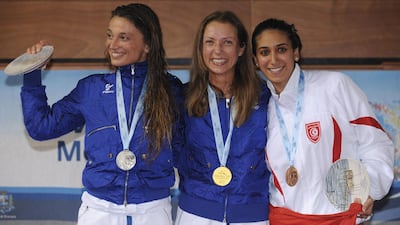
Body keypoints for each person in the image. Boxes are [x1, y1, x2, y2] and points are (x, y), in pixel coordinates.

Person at [20, 3, 184, 225]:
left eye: (123, 37)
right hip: (98, 211)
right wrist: (32, 74)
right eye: (109, 36)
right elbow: (41, 127)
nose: (112, 45)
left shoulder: (172, 91)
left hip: (153, 211)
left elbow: (190, 150)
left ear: (147, 44)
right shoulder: (92, 89)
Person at [251, 18, 394, 225]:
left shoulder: (334, 86)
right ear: (256, 60)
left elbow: (376, 142)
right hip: (284, 219)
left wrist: (370, 189)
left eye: (281, 49)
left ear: (296, 52)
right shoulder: (260, 106)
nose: (273, 60)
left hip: (338, 219)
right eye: (264, 52)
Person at [175, 11, 271, 225]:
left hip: (252, 216)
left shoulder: (266, 98)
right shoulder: (183, 97)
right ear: (201, 48)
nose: (217, 51)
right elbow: (174, 149)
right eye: (210, 42)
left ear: (241, 48)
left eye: (227, 42)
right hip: (196, 214)